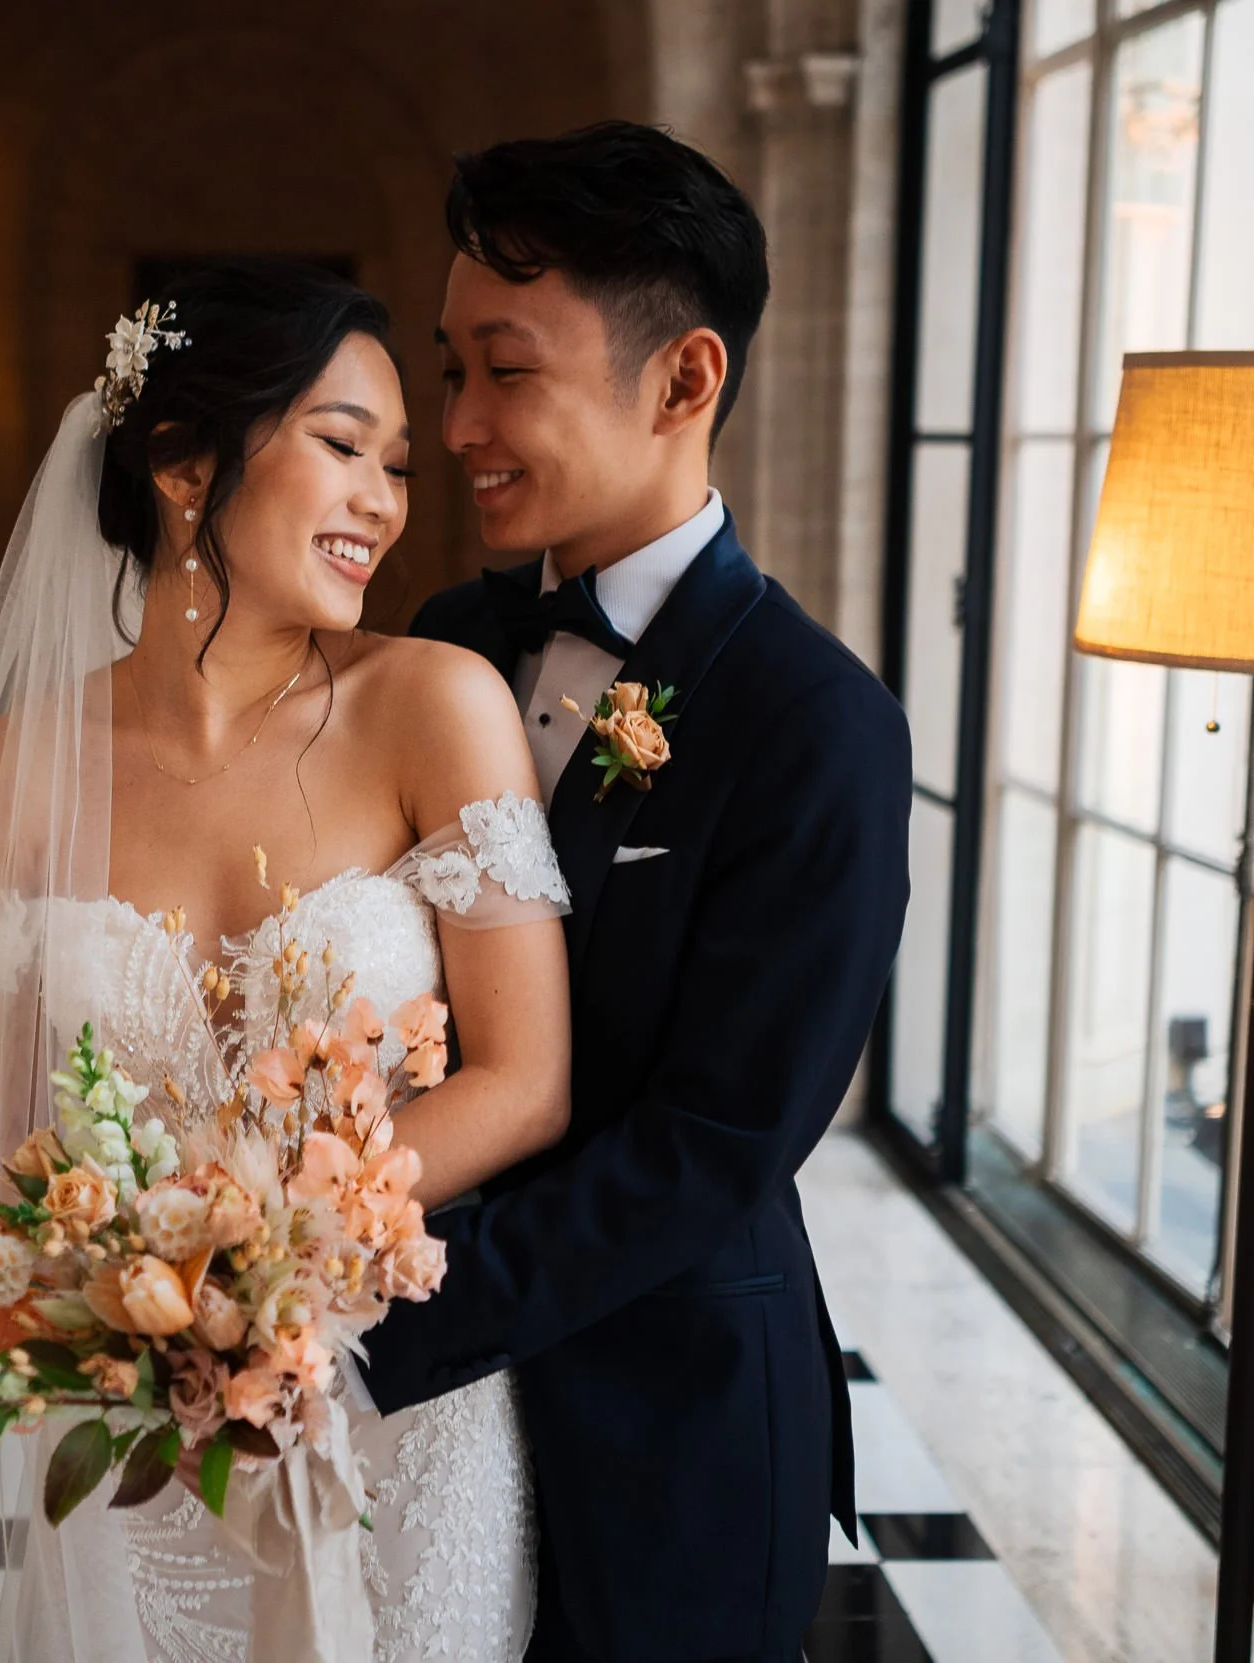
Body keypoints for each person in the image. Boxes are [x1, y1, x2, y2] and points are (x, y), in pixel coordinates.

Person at [0, 258, 570, 1660]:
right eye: (343, 447)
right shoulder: (13, 770)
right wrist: (133, 1295)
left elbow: (525, 1078)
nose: (387, 501)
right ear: (183, 462)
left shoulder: (434, 706)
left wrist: (268, 1252)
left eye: (396, 464)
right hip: (148, 1427)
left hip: (396, 1394)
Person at [356, 122, 913, 1663]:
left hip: (668, 1413)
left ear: (685, 380)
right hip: (424, 1438)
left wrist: (371, 1306)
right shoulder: (446, 634)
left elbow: (715, 1141)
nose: (453, 423)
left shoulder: (819, 725)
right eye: (447, 368)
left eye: (504, 370)